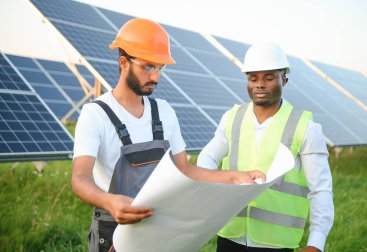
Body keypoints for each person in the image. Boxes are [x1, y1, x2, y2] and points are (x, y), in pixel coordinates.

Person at [71, 18, 265, 251]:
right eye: (148, 67)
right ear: (124, 62)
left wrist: (234, 177)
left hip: (160, 229)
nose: (156, 77)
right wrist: (110, 201)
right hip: (114, 232)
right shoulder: (96, 114)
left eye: (160, 68)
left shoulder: (163, 111)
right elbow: (80, 179)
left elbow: (185, 169)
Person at [197, 41, 334, 252]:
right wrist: (220, 182)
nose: (260, 84)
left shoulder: (305, 127)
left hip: (276, 244)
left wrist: (316, 244)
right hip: (229, 236)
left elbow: (321, 189)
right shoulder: (231, 118)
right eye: (253, 78)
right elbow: (206, 158)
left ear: (284, 79)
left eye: (269, 78)